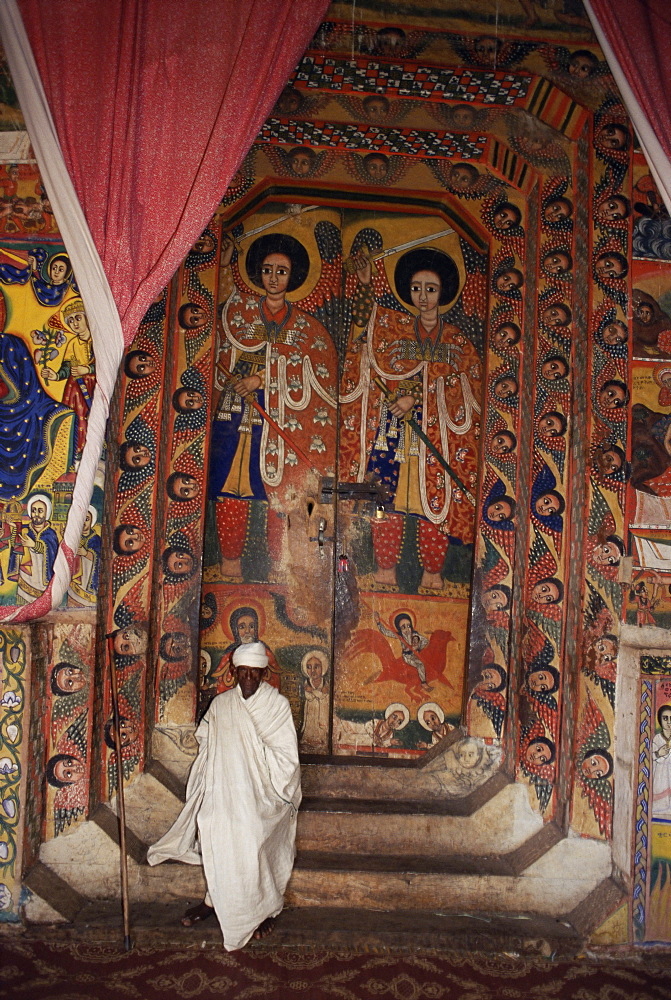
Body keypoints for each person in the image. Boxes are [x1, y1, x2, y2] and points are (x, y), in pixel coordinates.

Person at [147, 642, 301, 950]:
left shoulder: (276, 705)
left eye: (254, 672)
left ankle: (264, 908)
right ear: (233, 672)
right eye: (242, 671)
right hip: (227, 787)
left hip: (264, 792)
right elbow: (207, 741)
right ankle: (213, 900)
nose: (248, 678)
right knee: (214, 824)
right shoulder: (221, 705)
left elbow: (287, 757)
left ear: (264, 673)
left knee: (251, 830)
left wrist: (255, 761)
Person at [17, 494, 59, 604]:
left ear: (47, 513)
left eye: (40, 511)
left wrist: (34, 545)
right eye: (34, 510)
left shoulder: (50, 534)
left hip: (43, 581)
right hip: (26, 578)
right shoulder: (25, 531)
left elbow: (53, 551)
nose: (36, 514)